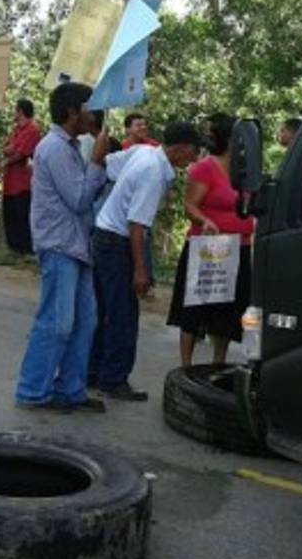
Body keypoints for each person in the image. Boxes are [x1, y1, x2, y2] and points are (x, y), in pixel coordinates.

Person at [14, 83, 111, 413]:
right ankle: (32, 391)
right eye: (88, 106)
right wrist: (97, 163)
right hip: (59, 244)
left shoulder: (68, 146)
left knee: (85, 320)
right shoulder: (54, 148)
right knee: (57, 321)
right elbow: (79, 198)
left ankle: (71, 389)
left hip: (75, 244)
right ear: (72, 112)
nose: (93, 113)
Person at [90, 122, 202, 401]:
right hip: (118, 241)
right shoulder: (153, 172)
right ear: (181, 149)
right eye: (192, 154)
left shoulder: (143, 152)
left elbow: (104, 163)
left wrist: (101, 138)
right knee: (123, 314)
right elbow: (137, 225)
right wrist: (141, 270)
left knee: (103, 309)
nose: (192, 161)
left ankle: (92, 370)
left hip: (104, 232)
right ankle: (113, 378)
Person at [169, 114, 257, 368]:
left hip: (239, 246)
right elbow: (190, 205)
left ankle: (218, 362)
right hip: (209, 247)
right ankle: (186, 366)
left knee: (227, 310)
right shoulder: (205, 167)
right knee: (195, 310)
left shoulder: (246, 169)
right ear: (230, 140)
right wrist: (204, 220)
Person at [1, 97, 42, 254]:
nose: (14, 113)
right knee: (10, 215)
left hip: (23, 182)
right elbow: (5, 147)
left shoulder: (32, 130)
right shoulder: (16, 130)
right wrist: (10, 150)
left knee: (22, 217)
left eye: (15, 110)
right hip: (10, 181)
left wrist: (7, 158)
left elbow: (20, 153)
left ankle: (25, 250)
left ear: (20, 111)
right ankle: (14, 249)